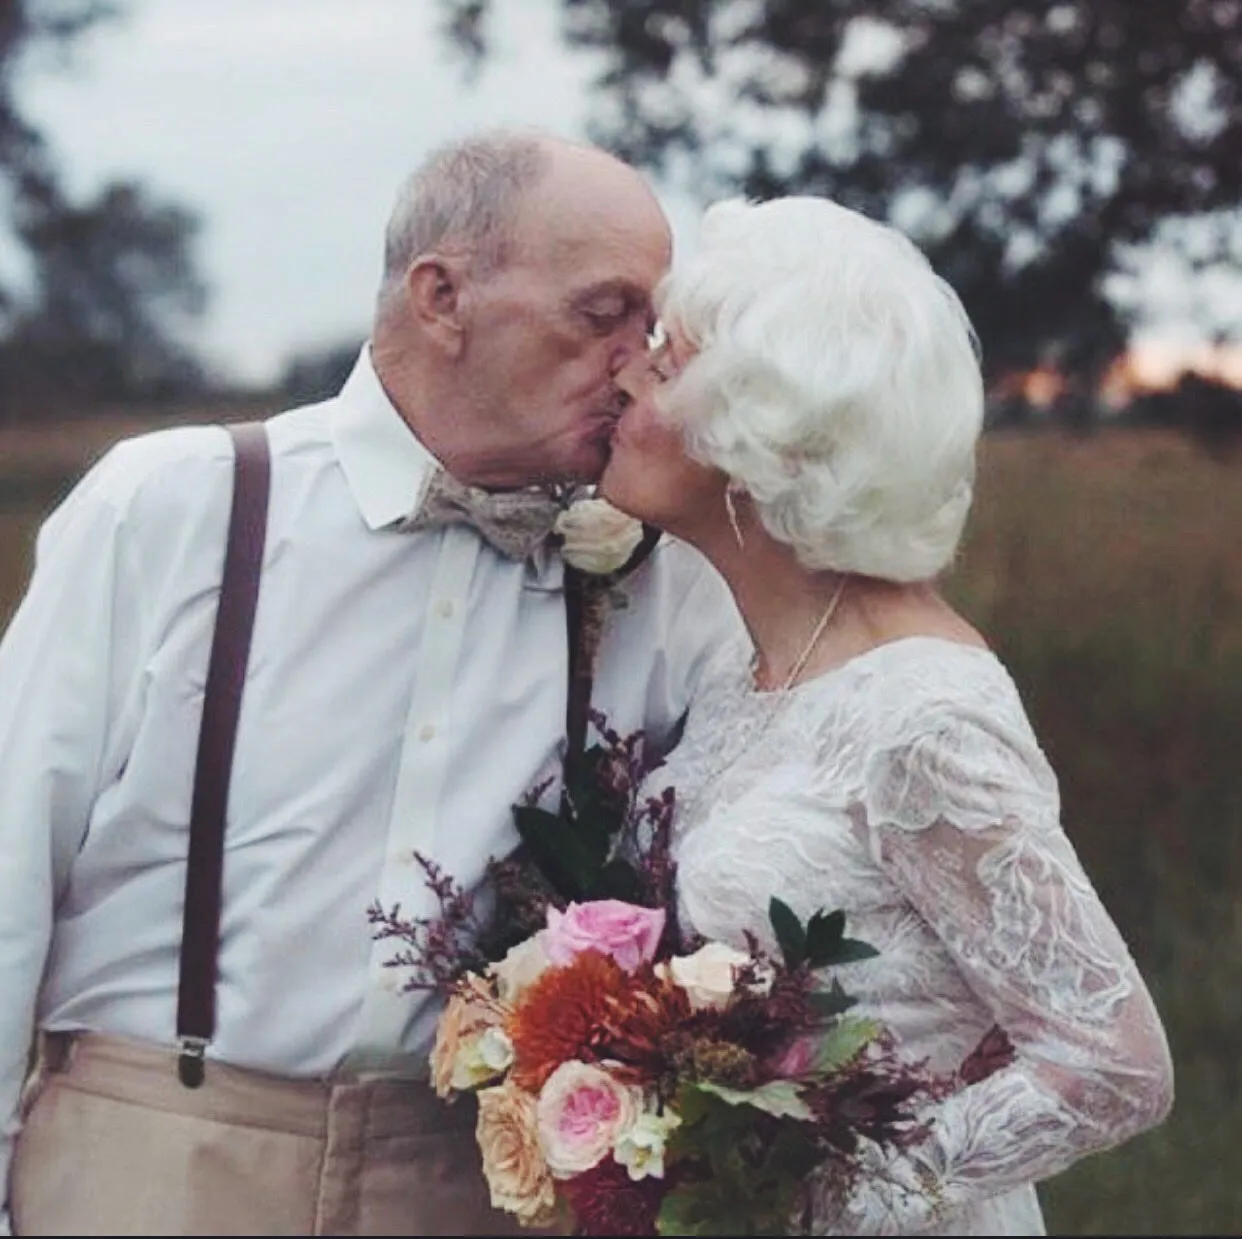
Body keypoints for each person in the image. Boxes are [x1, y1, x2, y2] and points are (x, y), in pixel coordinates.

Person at [0, 129, 743, 1236]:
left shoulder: (654, 582)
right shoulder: (175, 506)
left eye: (653, 327)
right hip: (148, 1158)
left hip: (462, 1182)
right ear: (441, 295)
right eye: (603, 315)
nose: (639, 363)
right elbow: (10, 858)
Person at [599, 195, 1174, 1235]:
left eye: (667, 361)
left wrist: (825, 1193)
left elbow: (1110, 1062)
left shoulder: (924, 716)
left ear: (762, 429)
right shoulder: (744, 663)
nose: (625, 374)